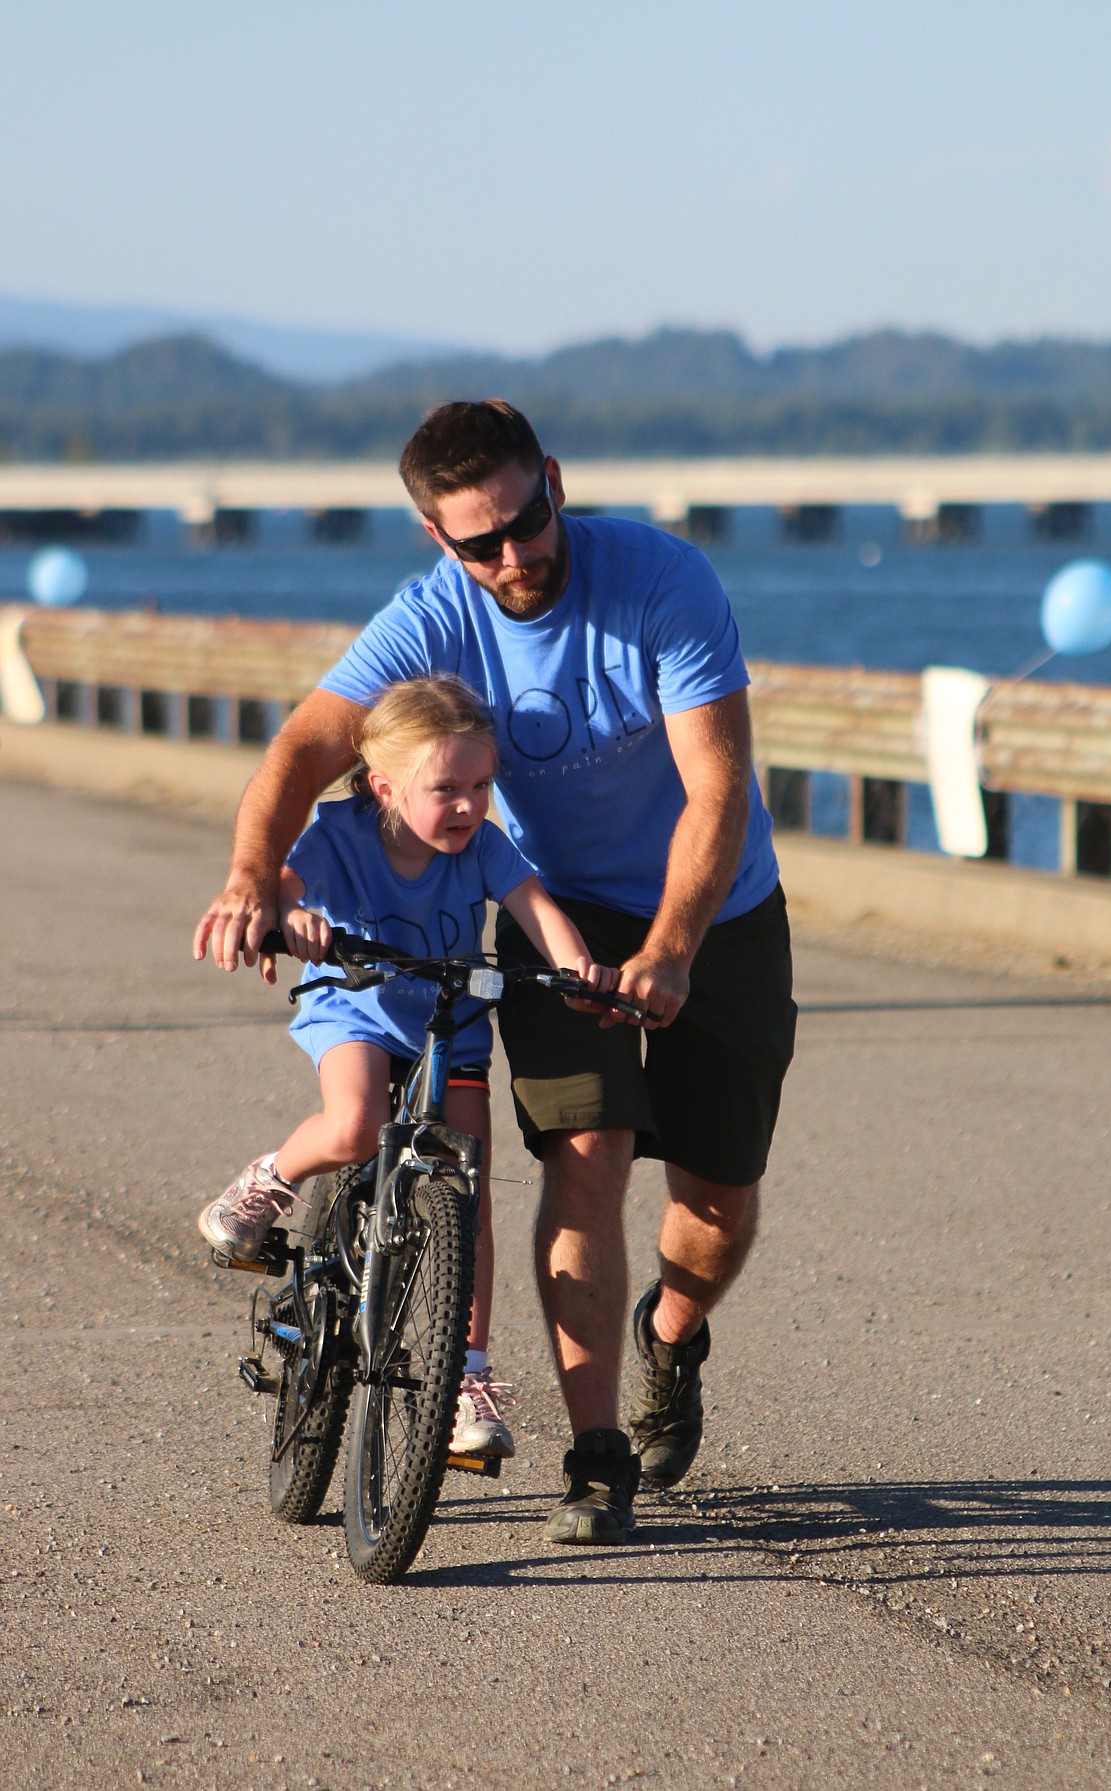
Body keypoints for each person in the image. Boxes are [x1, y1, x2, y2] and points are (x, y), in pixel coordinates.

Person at [195, 400, 798, 1545]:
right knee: (586, 1160)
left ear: (555, 483)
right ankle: (597, 1453)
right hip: (550, 906)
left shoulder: (662, 580)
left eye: (527, 522)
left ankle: (669, 1337)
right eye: (479, 543)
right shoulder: (432, 616)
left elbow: (716, 789)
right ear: (438, 540)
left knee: (716, 1202)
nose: (513, 557)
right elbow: (305, 748)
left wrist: (671, 949)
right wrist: (249, 878)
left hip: (716, 908)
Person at [197, 673, 616, 1461]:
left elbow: (536, 907)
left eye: (482, 785)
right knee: (354, 1125)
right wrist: (293, 916)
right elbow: (288, 888)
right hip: (357, 1005)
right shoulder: (338, 832)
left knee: (469, 1188)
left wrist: (578, 968)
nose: (467, 804)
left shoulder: (486, 845)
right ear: (385, 785)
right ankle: (267, 1180)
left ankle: (465, 1375)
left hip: (449, 1023)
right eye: (446, 788)